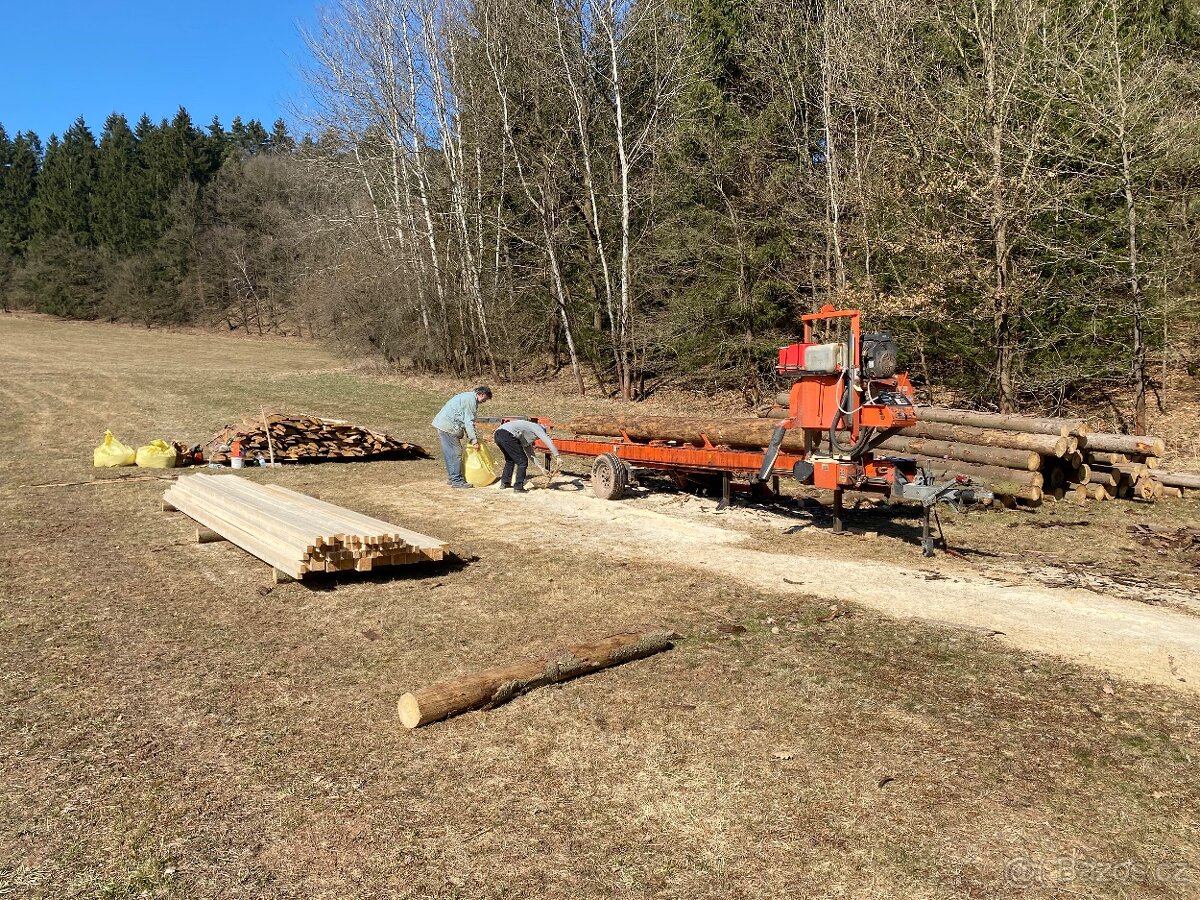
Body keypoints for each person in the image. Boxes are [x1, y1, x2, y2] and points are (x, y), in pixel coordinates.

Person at [432, 386, 492, 488]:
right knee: (455, 453)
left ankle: (452, 478)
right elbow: (469, 422)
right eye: (485, 399)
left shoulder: (467, 396)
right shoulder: (470, 401)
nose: (484, 402)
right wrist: (474, 440)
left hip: (443, 425)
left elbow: (464, 419)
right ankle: (457, 481)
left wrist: (470, 436)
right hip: (448, 426)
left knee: (449, 453)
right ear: (481, 394)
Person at [493, 418, 559, 492]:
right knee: (522, 462)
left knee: (510, 460)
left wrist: (541, 468)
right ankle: (518, 487)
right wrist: (557, 456)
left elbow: (530, 453)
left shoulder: (526, 431)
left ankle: (505, 483)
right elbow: (547, 440)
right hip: (507, 435)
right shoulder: (538, 427)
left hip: (498, 434)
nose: (536, 438)